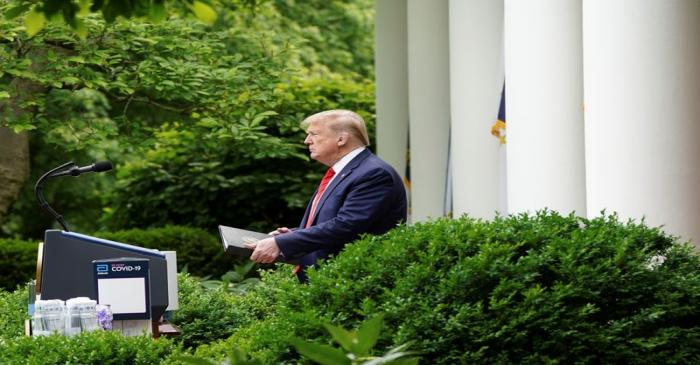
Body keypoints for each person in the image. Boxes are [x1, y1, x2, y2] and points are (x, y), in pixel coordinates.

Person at [245, 109, 407, 281]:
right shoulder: (345, 171)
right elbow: (338, 223)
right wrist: (293, 234)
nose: (307, 141)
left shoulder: (374, 173)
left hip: (352, 282)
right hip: (331, 281)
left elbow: (347, 226)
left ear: (341, 139)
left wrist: (282, 243)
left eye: (313, 134)